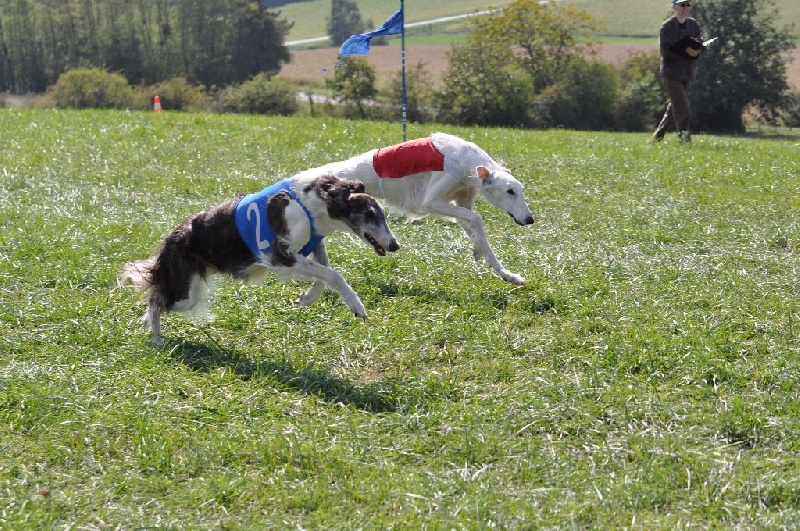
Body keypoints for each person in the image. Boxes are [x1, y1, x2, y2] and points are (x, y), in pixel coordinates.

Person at [652, 0, 705, 143]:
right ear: (674, 7)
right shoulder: (666, 27)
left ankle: (657, 137)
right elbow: (665, 51)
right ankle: (685, 140)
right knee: (682, 107)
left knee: (675, 106)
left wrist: (698, 51)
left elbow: (700, 43)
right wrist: (685, 50)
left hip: (687, 73)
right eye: (682, 5)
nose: (685, 8)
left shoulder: (693, 24)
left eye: (688, 5)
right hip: (671, 74)